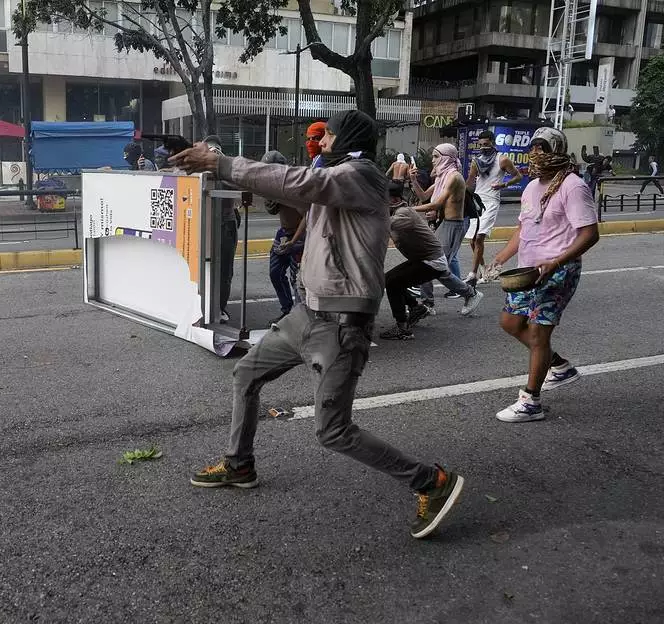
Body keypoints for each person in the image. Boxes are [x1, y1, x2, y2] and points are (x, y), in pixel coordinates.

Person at [171, 110, 466, 540]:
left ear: (347, 137)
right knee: (245, 374)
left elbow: (301, 183)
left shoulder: (361, 175)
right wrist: (254, 193)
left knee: (333, 431)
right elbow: (299, 197)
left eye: (327, 134)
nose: (320, 141)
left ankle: (431, 482)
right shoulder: (333, 174)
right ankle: (240, 464)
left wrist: (222, 163)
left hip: (342, 325)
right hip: (305, 314)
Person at [487, 127, 600, 423]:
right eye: (533, 147)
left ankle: (530, 401)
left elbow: (590, 234)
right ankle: (559, 366)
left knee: (538, 332)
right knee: (510, 322)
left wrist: (557, 261)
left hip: (558, 272)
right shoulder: (532, 187)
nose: (536, 153)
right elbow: (524, 228)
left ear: (558, 152)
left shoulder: (573, 186)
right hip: (528, 271)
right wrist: (501, 256)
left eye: (543, 147)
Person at [410, 144, 484, 314]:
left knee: (436, 267)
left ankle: (470, 294)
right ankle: (427, 303)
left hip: (454, 225)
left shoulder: (454, 177)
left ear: (446, 158)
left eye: (436, 157)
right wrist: (413, 180)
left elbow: (436, 203)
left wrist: (409, 210)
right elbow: (423, 197)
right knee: (428, 262)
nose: (432, 160)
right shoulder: (442, 178)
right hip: (445, 224)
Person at [380, 182, 459, 340]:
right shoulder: (396, 210)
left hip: (432, 262)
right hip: (424, 259)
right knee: (388, 280)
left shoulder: (403, 214)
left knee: (393, 283)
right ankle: (416, 308)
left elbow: (378, 227)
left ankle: (403, 329)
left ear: (394, 200)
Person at [465, 130, 524, 285]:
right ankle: (486, 270)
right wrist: (462, 197)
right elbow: (470, 181)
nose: (483, 147)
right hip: (477, 201)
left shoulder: (502, 160)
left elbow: (518, 176)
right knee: (472, 241)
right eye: (481, 145)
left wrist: (503, 184)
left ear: (492, 142)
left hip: (491, 202)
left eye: (486, 144)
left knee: (479, 238)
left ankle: (473, 275)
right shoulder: (476, 161)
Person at [261, 150, 305, 323]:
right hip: (284, 233)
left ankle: (297, 318)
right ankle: (287, 310)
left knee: (297, 279)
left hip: (299, 235)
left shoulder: (293, 184)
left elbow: (307, 216)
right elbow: (272, 210)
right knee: (275, 273)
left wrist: (295, 241)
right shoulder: (277, 187)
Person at [202, 135, 241, 324]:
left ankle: (220, 307)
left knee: (224, 270)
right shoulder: (201, 167)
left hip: (225, 223)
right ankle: (209, 305)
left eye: (215, 151)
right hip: (209, 224)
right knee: (207, 267)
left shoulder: (227, 166)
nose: (212, 153)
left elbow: (235, 186)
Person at [279, 122, 326, 262]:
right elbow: (310, 210)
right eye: (309, 139)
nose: (311, 143)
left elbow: (312, 207)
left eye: (316, 139)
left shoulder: (323, 163)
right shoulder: (317, 161)